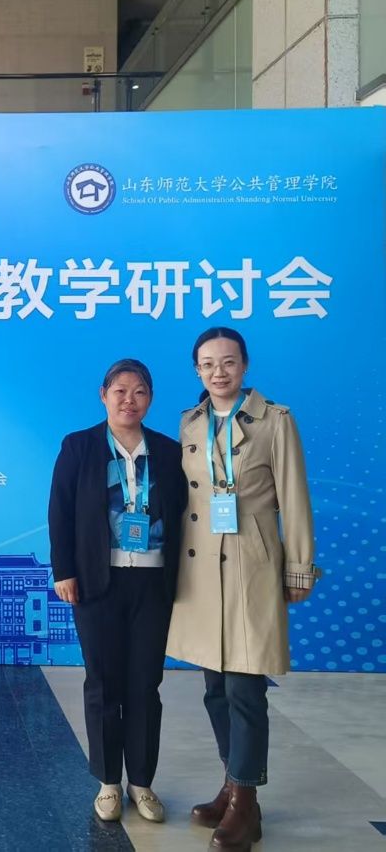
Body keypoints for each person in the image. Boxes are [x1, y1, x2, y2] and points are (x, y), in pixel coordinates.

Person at [166, 327, 320, 850]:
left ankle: (247, 804)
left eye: (228, 362)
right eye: (207, 364)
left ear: (245, 365)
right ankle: (232, 786)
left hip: (252, 563)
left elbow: (294, 497)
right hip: (201, 568)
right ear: (197, 370)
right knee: (214, 686)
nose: (218, 372)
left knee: (245, 688)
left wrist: (299, 567)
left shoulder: (276, 420)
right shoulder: (189, 422)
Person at [49, 359, 187, 823]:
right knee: (103, 682)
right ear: (103, 395)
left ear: (151, 398)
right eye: (120, 390)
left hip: (153, 581)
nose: (130, 400)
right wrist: (64, 570)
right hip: (96, 581)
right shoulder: (79, 446)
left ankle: (141, 782)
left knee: (145, 684)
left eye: (140, 391)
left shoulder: (168, 451)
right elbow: (59, 511)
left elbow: (185, 514)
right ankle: (109, 781)